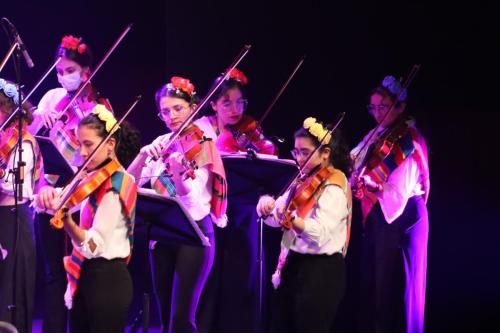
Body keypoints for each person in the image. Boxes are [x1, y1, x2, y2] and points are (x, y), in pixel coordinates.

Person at [127, 76, 228, 333]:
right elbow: (127, 184)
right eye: (165, 111)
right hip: (163, 233)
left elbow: (191, 198)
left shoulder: (203, 145)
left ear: (192, 107)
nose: (171, 116)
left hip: (195, 234)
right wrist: (141, 156)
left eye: (177, 109)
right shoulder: (162, 142)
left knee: (182, 320)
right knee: (164, 318)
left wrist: (177, 173)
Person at [28, 35, 111, 333]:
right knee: (52, 273)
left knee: (76, 271)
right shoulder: (51, 97)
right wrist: (39, 117)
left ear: (87, 72)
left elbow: (101, 157)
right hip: (48, 189)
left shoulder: (100, 108)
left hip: (80, 192)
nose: (64, 77)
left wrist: (81, 122)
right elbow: (32, 137)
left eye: (70, 71)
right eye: (60, 71)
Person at [34, 105, 139, 332]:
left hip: (107, 281)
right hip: (85, 277)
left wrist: (69, 224)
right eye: (80, 144)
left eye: (88, 144)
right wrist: (45, 195)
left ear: (110, 145)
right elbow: (55, 203)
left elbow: (93, 245)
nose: (81, 152)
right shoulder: (91, 178)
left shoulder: (117, 184)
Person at [195, 68, 280, 333]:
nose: (235, 109)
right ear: (213, 104)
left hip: (245, 212)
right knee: (209, 281)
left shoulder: (250, 131)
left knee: (242, 278)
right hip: (210, 210)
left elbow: (269, 158)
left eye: (240, 102)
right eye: (227, 102)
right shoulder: (201, 129)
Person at [256, 117, 352, 333]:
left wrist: (293, 221)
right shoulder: (303, 179)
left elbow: (320, 235)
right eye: (296, 152)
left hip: (321, 272)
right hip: (294, 266)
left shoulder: (335, 184)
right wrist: (266, 206)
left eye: (305, 152)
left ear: (325, 153)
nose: (299, 158)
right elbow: (275, 218)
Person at [350, 75, 430, 333]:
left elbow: (400, 190)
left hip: (403, 216)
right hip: (379, 215)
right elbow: (354, 159)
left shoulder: (408, 138)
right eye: (372, 107)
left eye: (383, 106)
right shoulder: (377, 134)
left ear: (400, 107)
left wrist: (370, 185)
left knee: (399, 289)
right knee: (376, 288)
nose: (377, 113)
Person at [0, 79, 42, 333]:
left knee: (11, 289)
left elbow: (17, 187)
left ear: (7, 110)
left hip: (14, 218)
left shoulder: (24, 142)